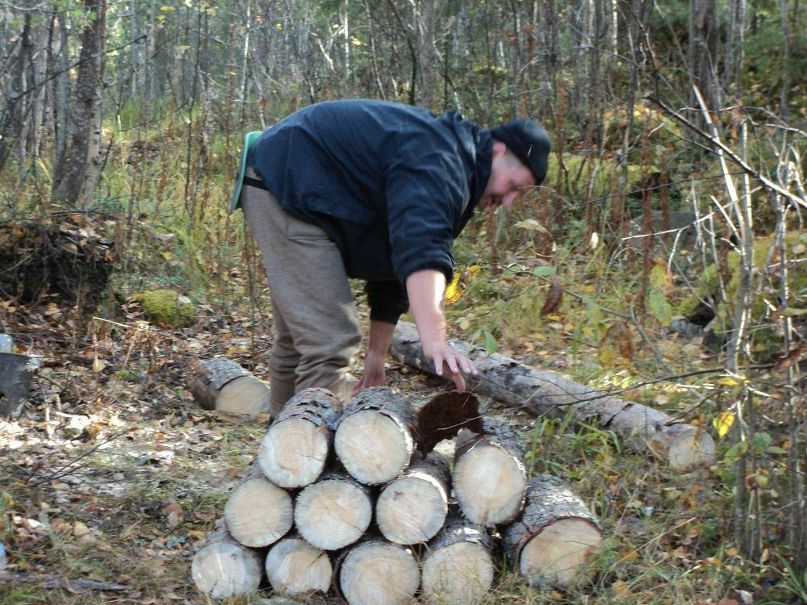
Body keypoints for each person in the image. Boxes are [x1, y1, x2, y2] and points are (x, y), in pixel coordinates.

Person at [233, 99, 550, 412]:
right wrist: (435, 338)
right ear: (499, 150)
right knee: (328, 339)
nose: (508, 201)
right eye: (515, 187)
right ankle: (308, 451)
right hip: (288, 182)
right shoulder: (443, 161)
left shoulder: (457, 169)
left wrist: (376, 355)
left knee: (301, 335)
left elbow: (395, 261)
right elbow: (420, 249)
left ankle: (282, 442)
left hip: (294, 180)